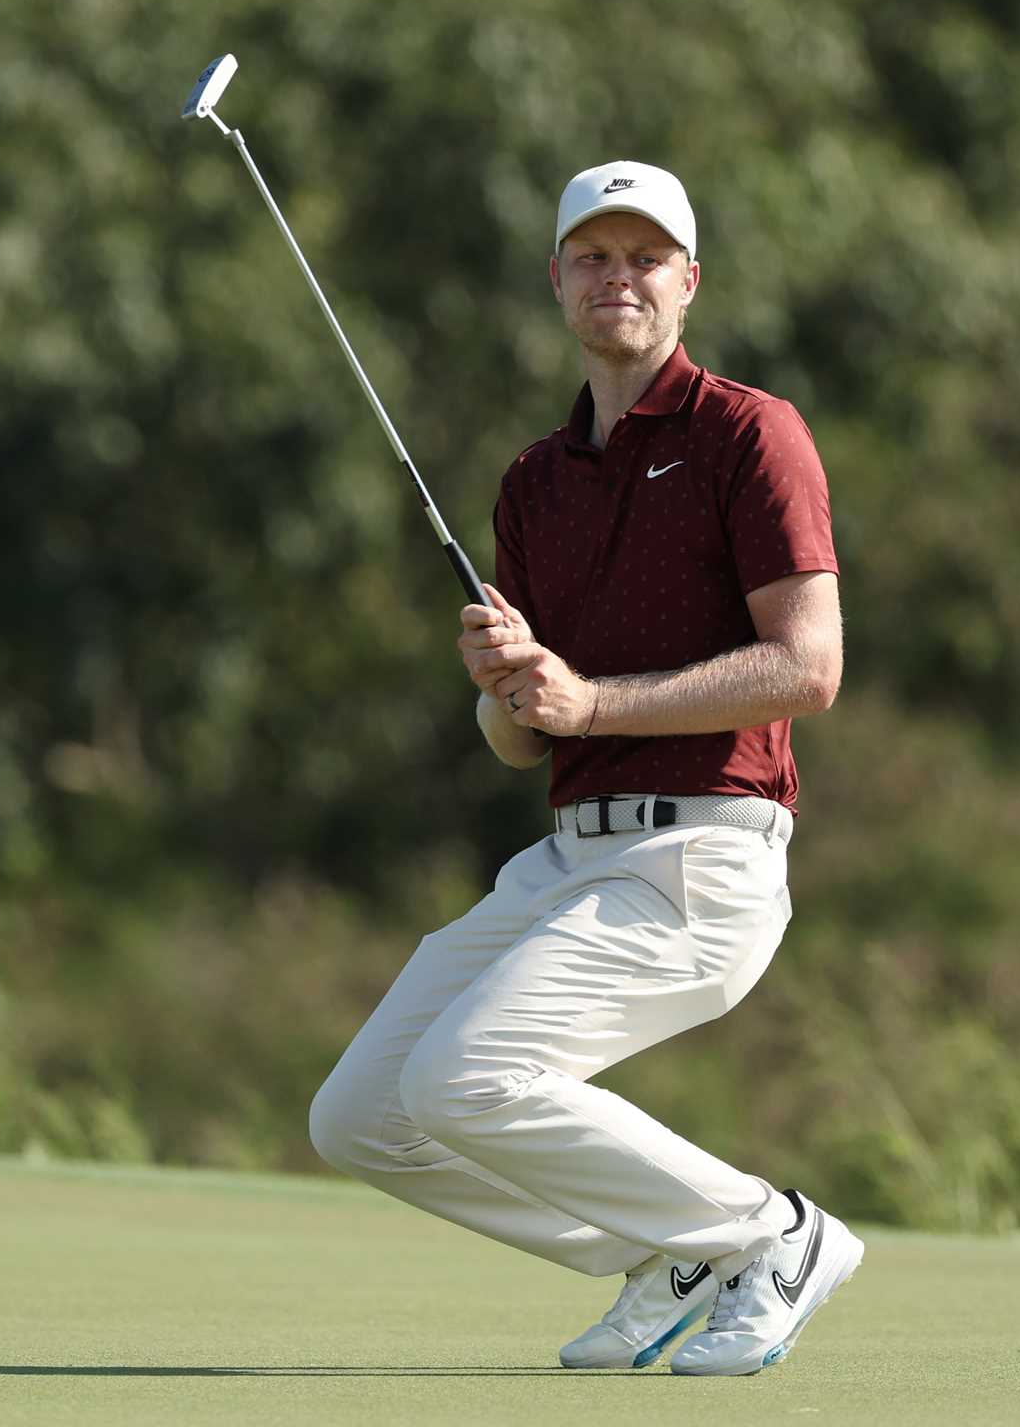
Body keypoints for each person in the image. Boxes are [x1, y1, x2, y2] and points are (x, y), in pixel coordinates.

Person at [309, 160, 863, 1376]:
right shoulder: (532, 480)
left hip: (702, 856)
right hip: (569, 858)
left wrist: (591, 696)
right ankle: (662, 1258)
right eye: (594, 256)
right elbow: (527, 738)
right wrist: (507, 694)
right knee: (360, 1115)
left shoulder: (746, 432)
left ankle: (771, 1234)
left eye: (646, 257)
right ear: (557, 279)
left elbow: (808, 667)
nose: (621, 277)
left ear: (688, 283)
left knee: (473, 1075)